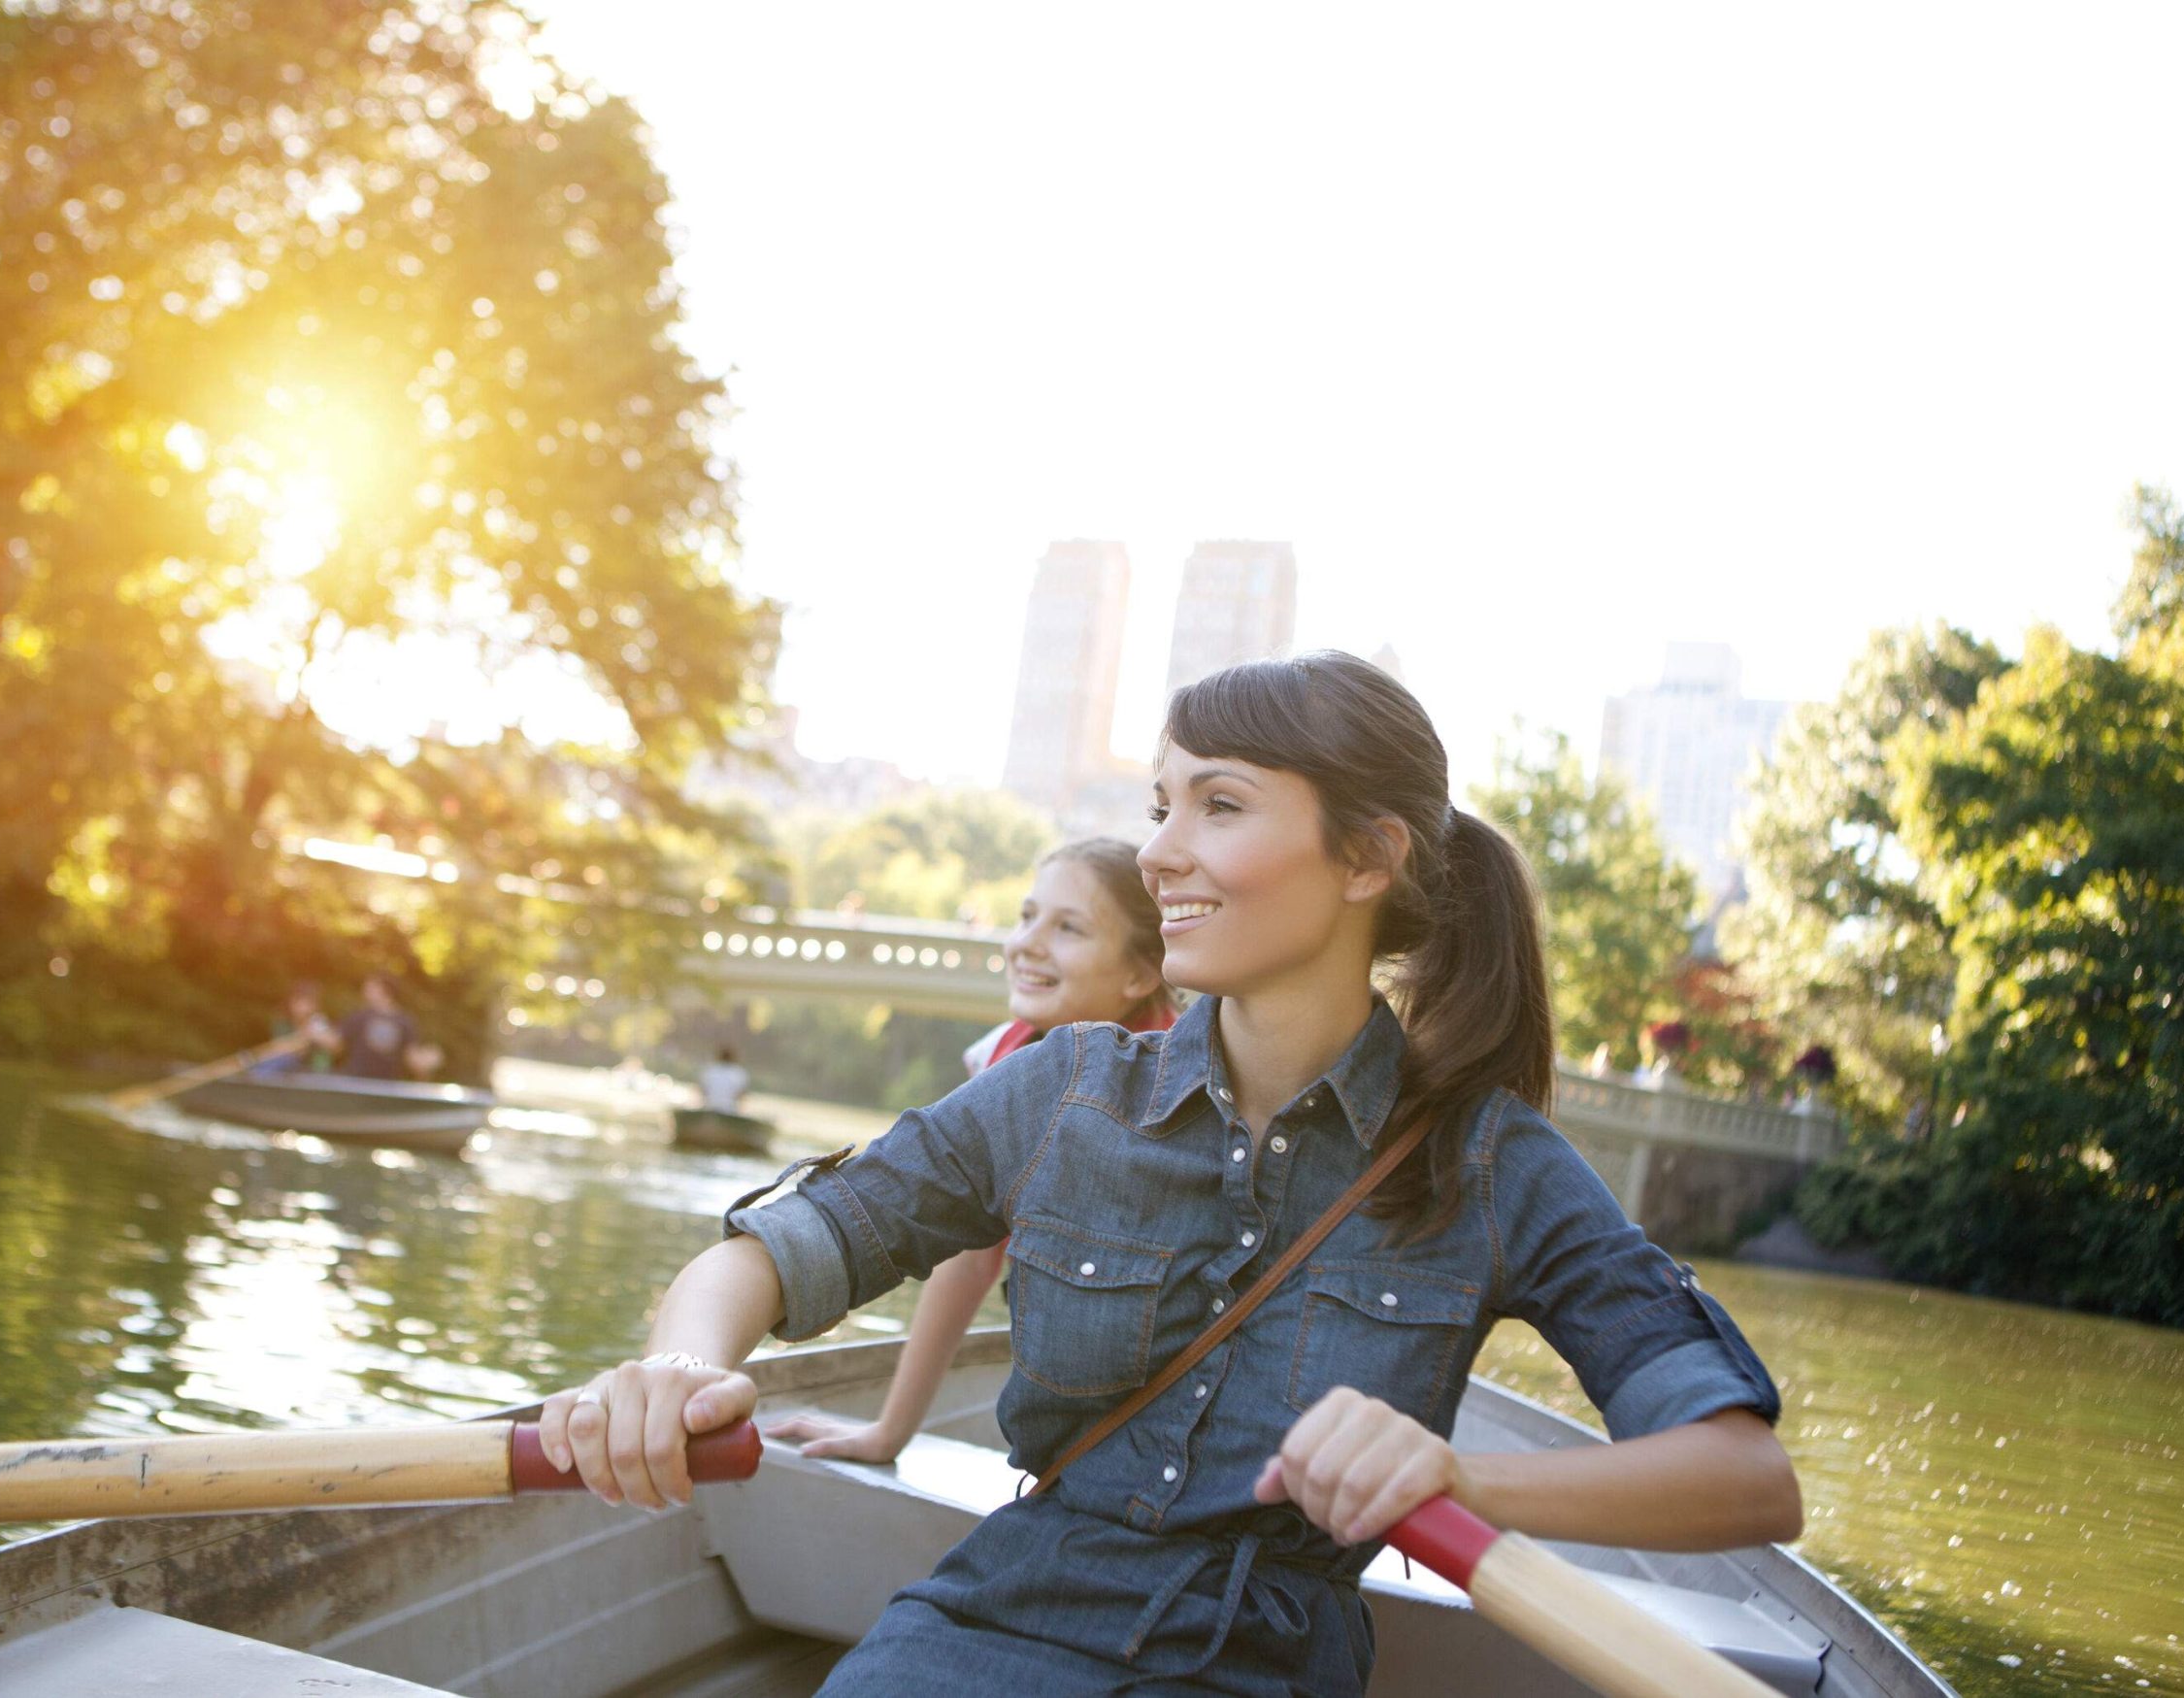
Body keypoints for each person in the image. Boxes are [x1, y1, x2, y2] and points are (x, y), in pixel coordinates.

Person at [535, 653, 1801, 1697]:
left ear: (1368, 858)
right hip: (983, 1634)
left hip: (1256, 1671)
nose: (1158, 853)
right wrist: (689, 1363)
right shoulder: (1061, 1089)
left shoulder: (1496, 1164)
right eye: (1160, 805)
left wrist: (1460, 1478)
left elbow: (1745, 1482)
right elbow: (775, 1249)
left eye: (1221, 805)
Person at [768, 837, 1177, 1465]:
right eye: (1025, 916)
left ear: (1141, 974)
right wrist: (888, 1433)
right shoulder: (1003, 1068)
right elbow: (966, 1261)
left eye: (1068, 927)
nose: (1026, 943)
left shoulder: (1187, 1093)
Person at [334, 974, 418, 1081]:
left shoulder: (404, 1021)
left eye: (371, 987)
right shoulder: (359, 1016)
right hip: (356, 1081)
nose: (365, 990)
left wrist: (426, 1062)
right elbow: (337, 1045)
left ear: (385, 990)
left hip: (388, 1085)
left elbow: (412, 1059)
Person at [255, 982, 335, 1075]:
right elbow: (279, 1048)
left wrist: (314, 1037)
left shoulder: (318, 1022)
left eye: (305, 1002)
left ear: (314, 1005)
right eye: (297, 1001)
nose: (300, 1006)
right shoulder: (283, 1024)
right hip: (288, 1067)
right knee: (269, 1063)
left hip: (314, 1070)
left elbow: (334, 1045)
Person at [700, 1046, 752, 1115]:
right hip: (730, 1111)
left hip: (710, 1108)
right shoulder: (739, 1072)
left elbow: (703, 1090)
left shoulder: (710, 1069)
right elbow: (741, 1095)